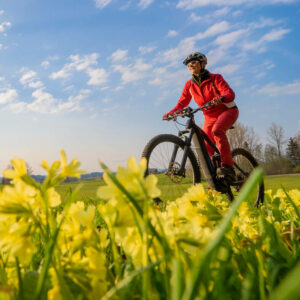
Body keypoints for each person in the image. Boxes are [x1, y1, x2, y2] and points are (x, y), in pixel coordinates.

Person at [163, 52, 239, 179]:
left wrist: (221, 98)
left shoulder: (215, 78)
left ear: (203, 64)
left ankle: (228, 167)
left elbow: (229, 93)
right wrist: (171, 113)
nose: (190, 65)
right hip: (209, 117)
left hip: (227, 110)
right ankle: (216, 178)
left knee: (217, 131)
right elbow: (182, 102)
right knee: (206, 148)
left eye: (193, 62)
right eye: (188, 64)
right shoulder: (189, 85)